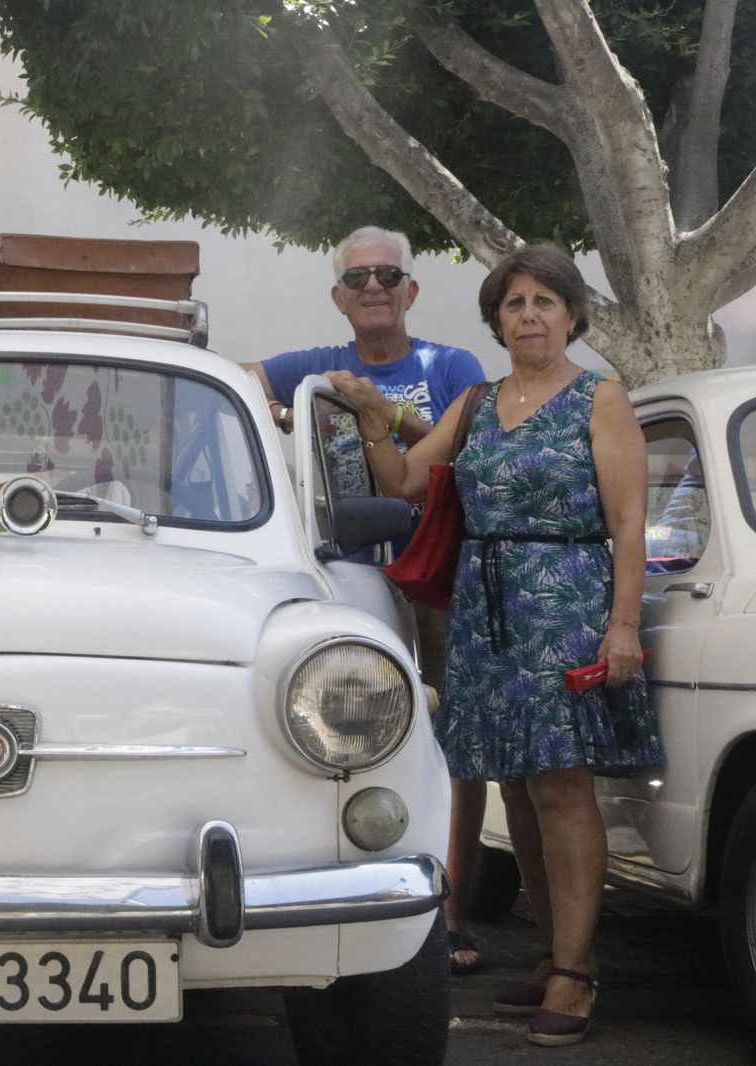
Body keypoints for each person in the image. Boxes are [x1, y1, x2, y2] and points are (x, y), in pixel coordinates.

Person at [352, 242, 663, 1047]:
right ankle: (554, 951)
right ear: (496, 318)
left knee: (561, 786)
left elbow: (630, 522)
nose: (530, 316)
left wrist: (622, 623)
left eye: (545, 303)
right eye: (516, 304)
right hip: (487, 611)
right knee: (518, 787)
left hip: (565, 602)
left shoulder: (601, 398)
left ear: (571, 316)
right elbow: (405, 482)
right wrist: (370, 419)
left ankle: (576, 971)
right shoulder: (478, 404)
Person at [242, 225, 489, 976]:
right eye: (358, 280)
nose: (374, 288)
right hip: (350, 578)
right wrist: (278, 413)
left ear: (411, 290)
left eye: (388, 276)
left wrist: (380, 411)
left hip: (440, 572)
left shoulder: (454, 366)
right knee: (349, 735)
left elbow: (467, 445)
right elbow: (234, 375)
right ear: (338, 298)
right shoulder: (315, 366)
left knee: (453, 744)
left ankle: (449, 912)